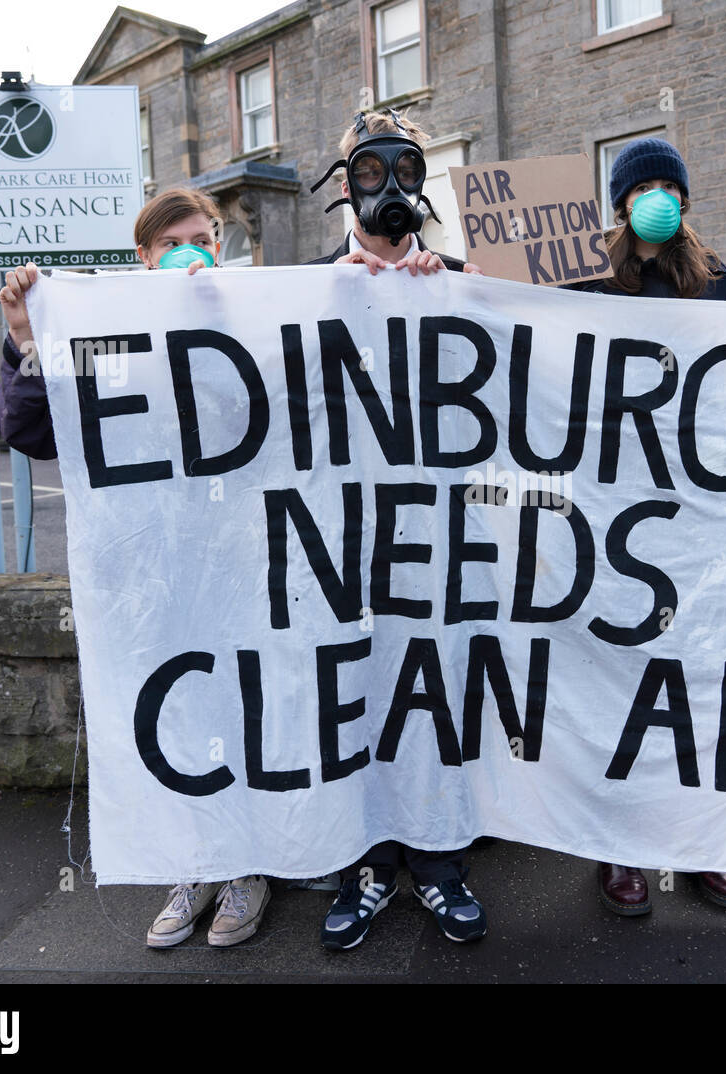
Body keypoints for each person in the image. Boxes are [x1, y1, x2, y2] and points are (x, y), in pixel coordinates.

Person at [0, 187, 339, 948]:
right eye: (178, 240)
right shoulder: (107, 333)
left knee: (247, 708)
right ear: (143, 257)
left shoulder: (252, 315)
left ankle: (248, 867)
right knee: (180, 714)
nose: (198, 252)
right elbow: (31, 431)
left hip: (249, 559)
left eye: (208, 237)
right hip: (157, 570)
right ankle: (194, 864)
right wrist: (26, 340)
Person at [568, 136, 726, 917]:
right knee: (620, 677)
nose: (658, 196)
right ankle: (619, 849)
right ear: (621, 201)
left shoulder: (719, 283)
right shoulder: (586, 280)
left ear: (686, 199)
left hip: (701, 509)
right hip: (616, 507)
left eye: (670, 186)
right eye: (642, 186)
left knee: (699, 678)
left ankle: (702, 842)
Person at [306, 109, 491, 950]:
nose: (387, 188)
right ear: (347, 186)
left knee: (439, 692)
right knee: (363, 702)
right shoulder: (306, 289)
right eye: (369, 171)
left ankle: (442, 861)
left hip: (443, 541)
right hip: (348, 543)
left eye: (403, 168)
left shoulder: (461, 278)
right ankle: (369, 866)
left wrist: (460, 287)